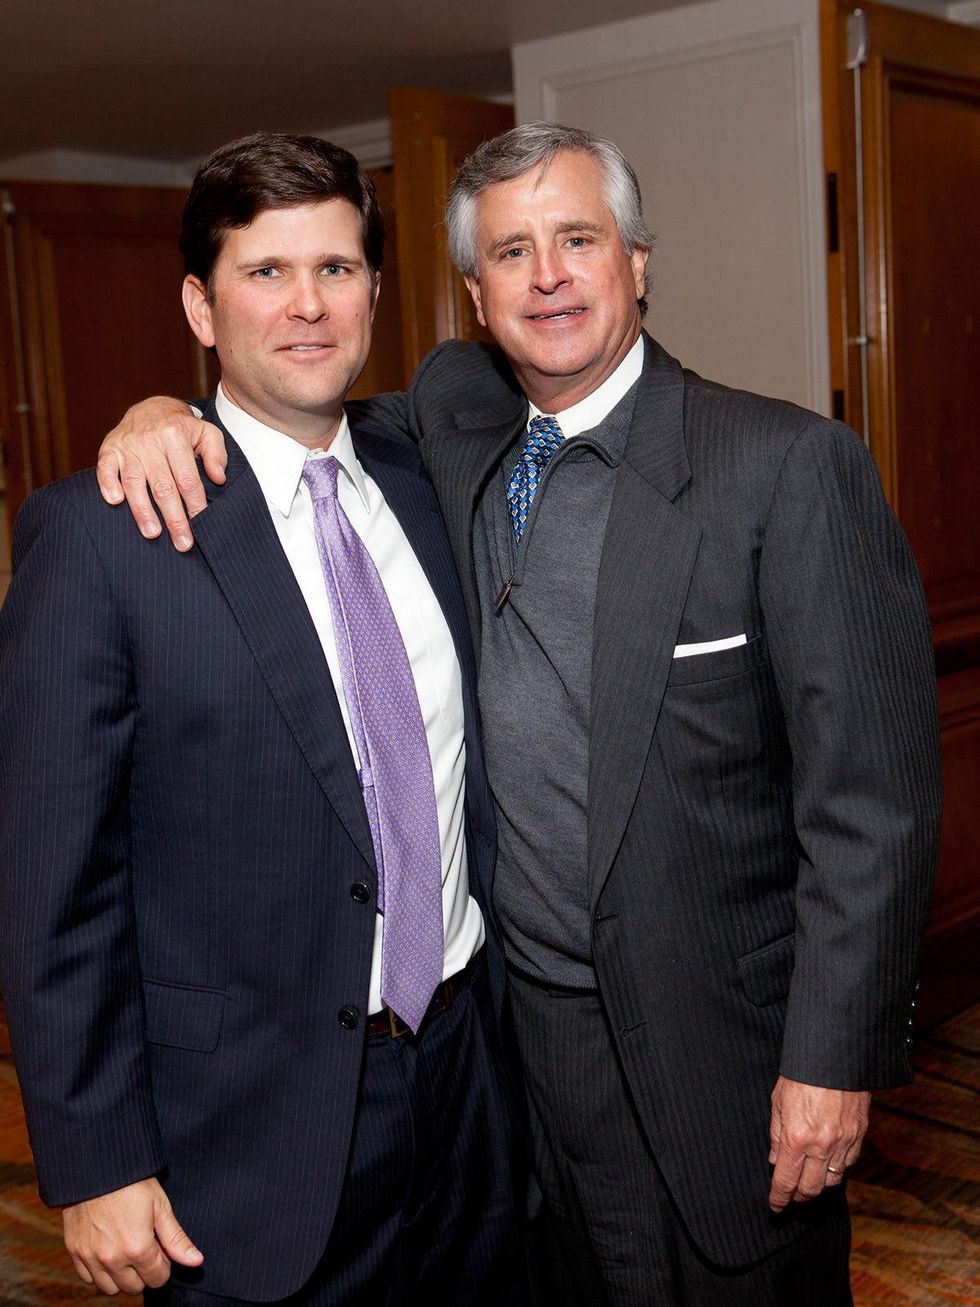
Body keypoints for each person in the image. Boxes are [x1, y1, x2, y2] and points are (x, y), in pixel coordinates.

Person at [93, 123, 941, 1305]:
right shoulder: (444, 428)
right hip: (509, 1069)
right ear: (474, 296)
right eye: (509, 253)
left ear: (635, 261)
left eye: (577, 240)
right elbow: (287, 400)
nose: (546, 277)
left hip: (723, 1064)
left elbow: (871, 805)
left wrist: (830, 1060)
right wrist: (162, 411)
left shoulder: (786, 467)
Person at [0, 133, 526, 1307]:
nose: (306, 305)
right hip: (245, 1134)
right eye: (265, 272)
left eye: (335, 269)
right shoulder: (101, 536)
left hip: (466, 1083)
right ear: (200, 305)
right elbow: (53, 883)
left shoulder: (429, 468)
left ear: (375, 292)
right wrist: (97, 1156)